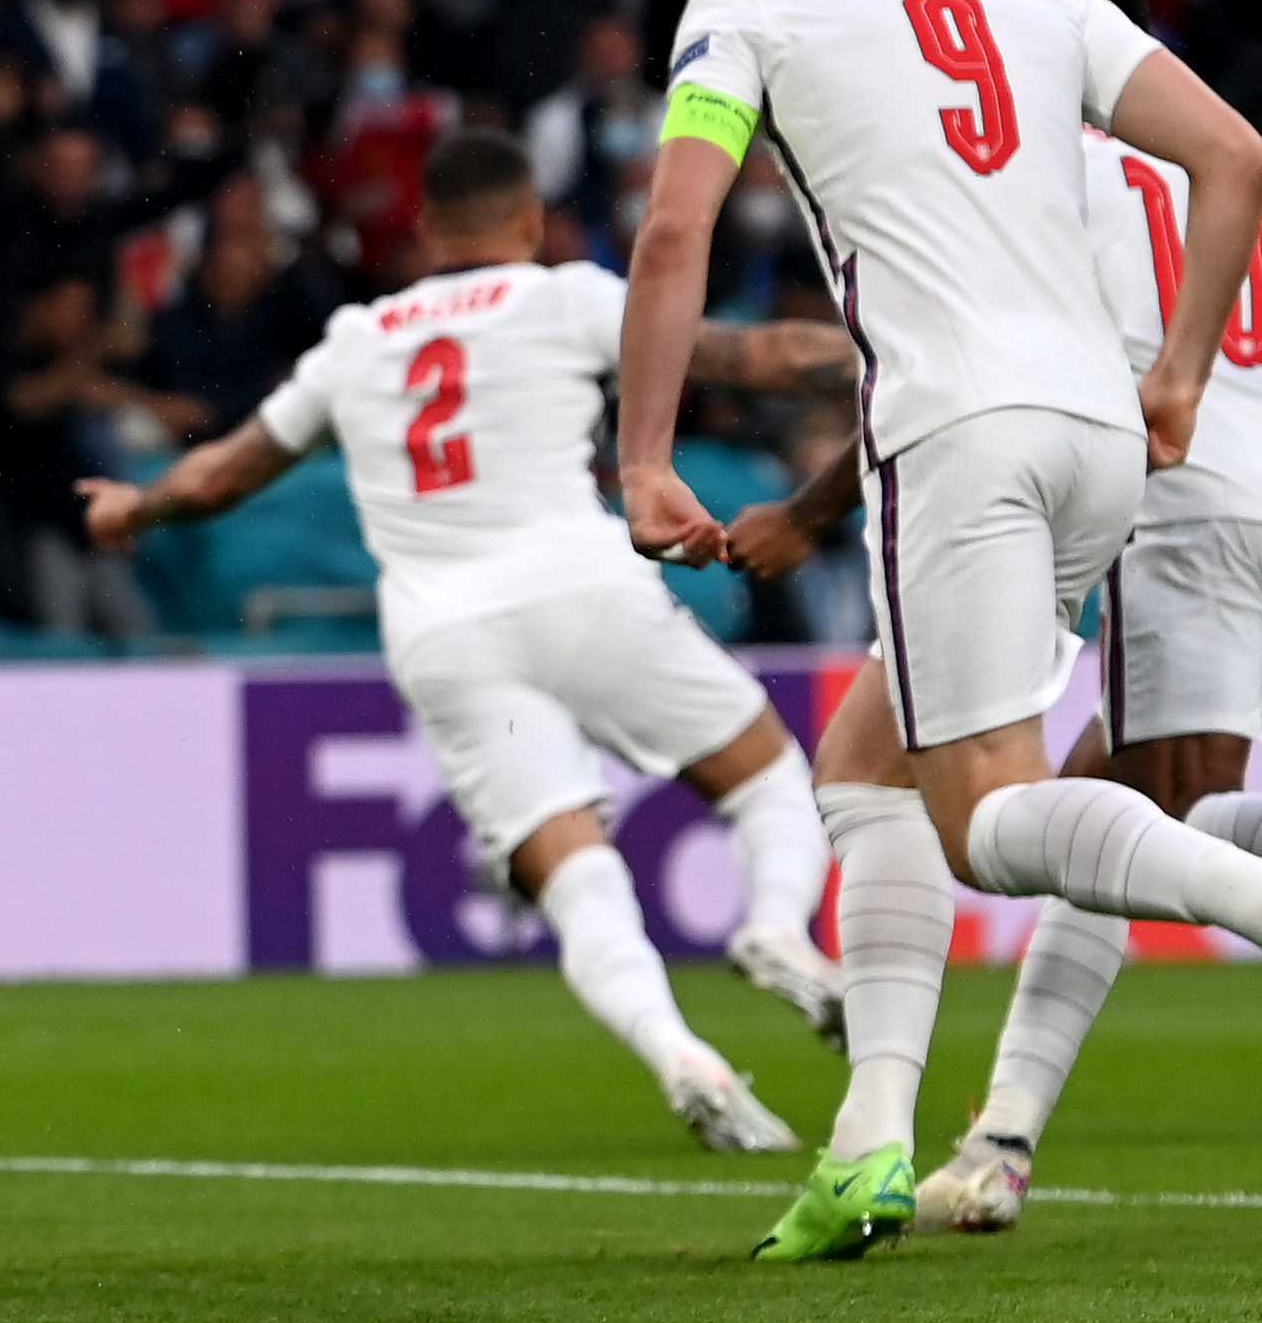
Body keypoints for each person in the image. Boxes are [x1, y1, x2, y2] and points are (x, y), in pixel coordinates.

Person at [618, 0, 1262, 1265]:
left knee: (984, 822)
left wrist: (643, 456)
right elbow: (1235, 154)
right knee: (865, 767)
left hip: (954, 431)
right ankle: (866, 1147)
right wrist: (1176, 371)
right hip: (1094, 434)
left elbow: (674, 226)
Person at [730, 0, 1262, 1230]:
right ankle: (997, 1144)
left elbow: (965, 374)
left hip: (1183, 514)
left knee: (1168, 817)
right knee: (1102, 809)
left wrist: (806, 511)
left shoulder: (1039, 182)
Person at [83, 129, 849, 1152]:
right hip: (580, 587)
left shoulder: (359, 336)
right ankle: (776, 926)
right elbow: (750, 357)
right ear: (530, 222)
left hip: (443, 631)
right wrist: (889, 352)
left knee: (572, 872)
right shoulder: (565, 295)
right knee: (765, 782)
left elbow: (220, 474)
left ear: (425, 230)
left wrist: (132, 511)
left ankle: (679, 1052)